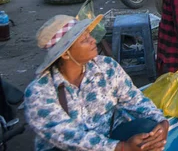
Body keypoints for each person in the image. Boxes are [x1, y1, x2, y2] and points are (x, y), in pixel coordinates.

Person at [24, 14, 169, 151]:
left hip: (110, 135)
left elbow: (134, 99)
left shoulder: (106, 66)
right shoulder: (39, 92)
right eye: (84, 40)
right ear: (65, 53)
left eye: (89, 35)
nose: (93, 40)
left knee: (151, 132)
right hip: (70, 147)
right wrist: (120, 147)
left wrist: (162, 122)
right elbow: (70, 137)